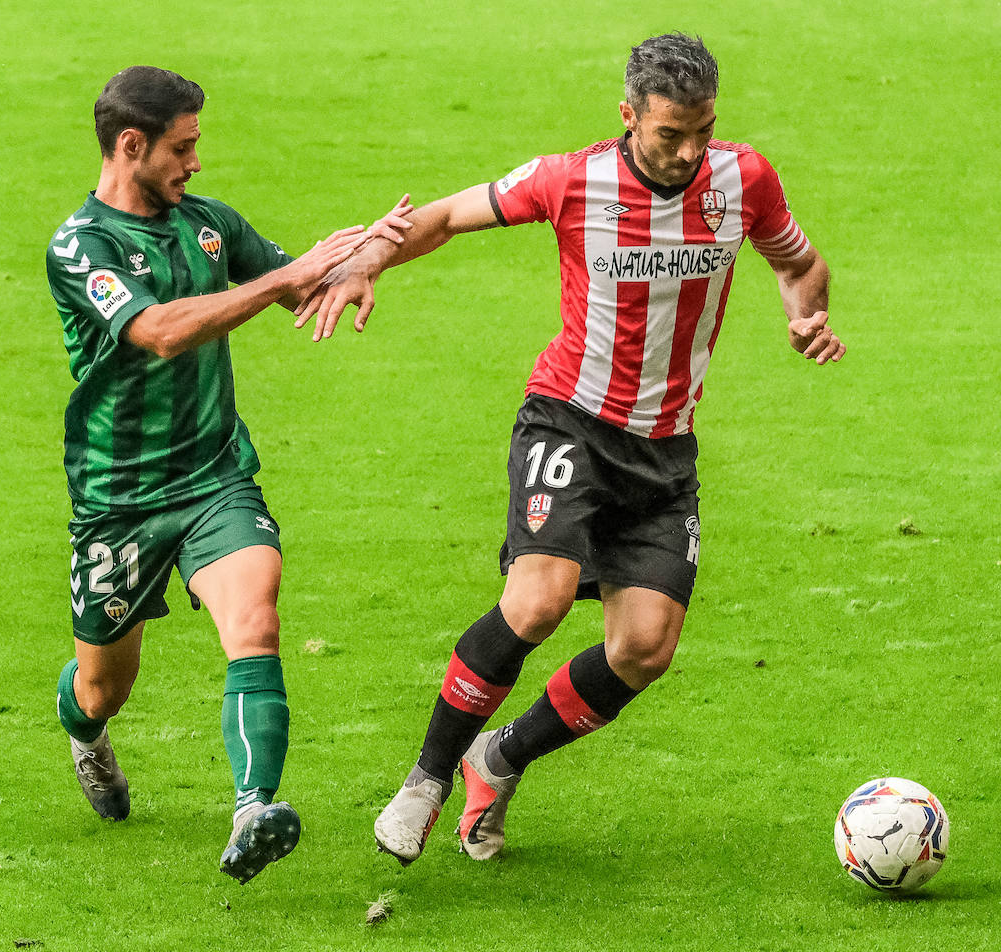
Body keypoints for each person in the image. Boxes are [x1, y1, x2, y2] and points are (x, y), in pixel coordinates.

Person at [296, 33, 845, 865]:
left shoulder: (746, 179)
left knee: (644, 648)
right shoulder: (572, 179)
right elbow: (444, 216)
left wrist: (808, 314)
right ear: (628, 117)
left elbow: (801, 263)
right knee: (538, 600)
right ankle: (426, 778)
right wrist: (371, 255)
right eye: (669, 134)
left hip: (666, 451)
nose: (689, 151)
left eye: (702, 130)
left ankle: (500, 758)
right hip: (570, 422)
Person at [44, 65, 410, 883]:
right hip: (119, 500)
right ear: (130, 145)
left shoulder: (209, 225)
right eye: (183, 147)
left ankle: (253, 807)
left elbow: (304, 277)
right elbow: (162, 330)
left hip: (214, 477)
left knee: (256, 620)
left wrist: (367, 253)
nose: (196, 164)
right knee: (104, 686)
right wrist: (281, 277)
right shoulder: (81, 247)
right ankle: (84, 730)